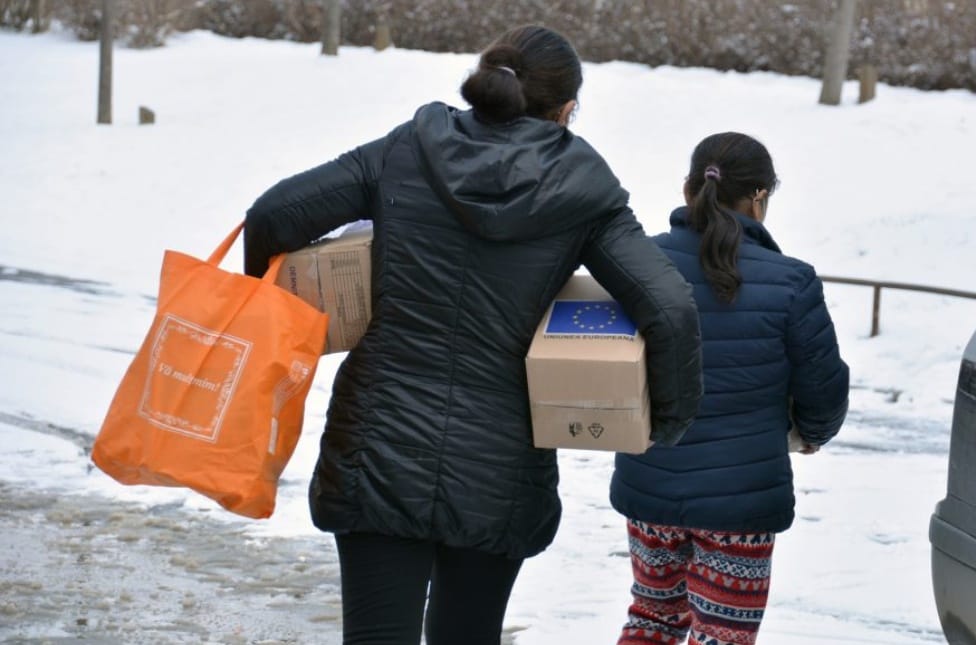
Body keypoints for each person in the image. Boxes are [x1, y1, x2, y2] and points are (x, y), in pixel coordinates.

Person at [243, 25, 703, 645]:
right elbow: (669, 306)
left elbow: (272, 217)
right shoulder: (585, 187)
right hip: (501, 460)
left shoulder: (407, 147)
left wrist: (296, 305)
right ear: (566, 110)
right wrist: (666, 422)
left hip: (378, 441)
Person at [610, 132, 850, 645]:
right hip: (740, 504)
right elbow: (823, 388)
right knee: (722, 637)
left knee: (651, 619)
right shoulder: (791, 281)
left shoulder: (639, 263)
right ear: (759, 198)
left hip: (649, 482)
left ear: (688, 188)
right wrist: (811, 433)